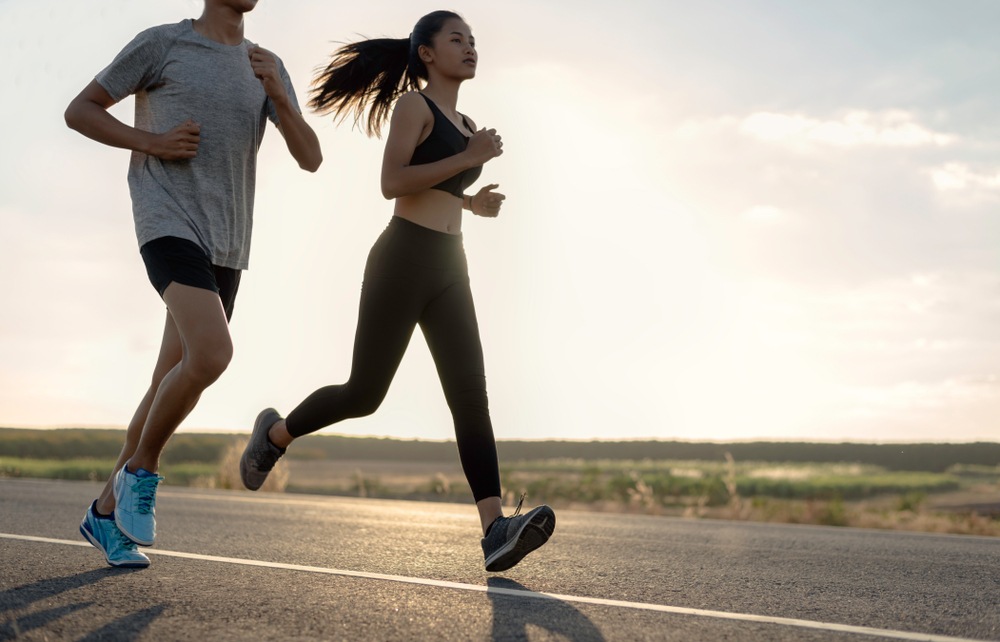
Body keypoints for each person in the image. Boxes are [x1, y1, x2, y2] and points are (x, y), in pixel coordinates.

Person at [240, 10, 555, 572]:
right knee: (365, 393)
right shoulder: (415, 105)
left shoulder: (465, 123)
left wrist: (470, 201)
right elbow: (393, 182)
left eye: (473, 40)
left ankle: (494, 529)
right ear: (427, 53)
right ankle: (276, 434)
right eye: (456, 39)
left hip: (450, 265)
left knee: (470, 396)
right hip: (403, 259)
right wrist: (470, 159)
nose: (470, 46)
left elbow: (435, 182)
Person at [65, 0, 322, 568]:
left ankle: (106, 514)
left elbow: (311, 158)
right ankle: (140, 473)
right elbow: (79, 110)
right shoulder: (163, 44)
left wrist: (279, 95)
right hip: (167, 222)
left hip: (226, 243)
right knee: (211, 354)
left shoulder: (265, 64)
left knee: (168, 379)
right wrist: (151, 142)